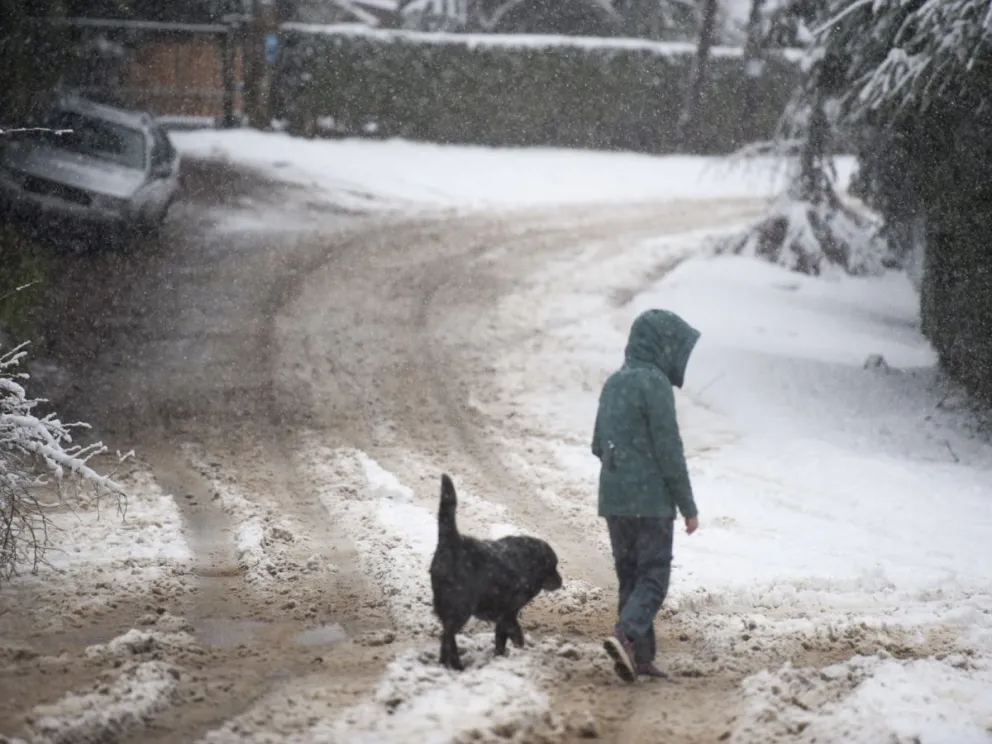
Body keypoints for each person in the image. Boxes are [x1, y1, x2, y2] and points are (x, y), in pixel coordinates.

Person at [591, 308, 700, 683]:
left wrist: (622, 463)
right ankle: (625, 635)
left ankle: (639, 657)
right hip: (650, 501)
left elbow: (596, 444)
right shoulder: (655, 384)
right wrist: (688, 506)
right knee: (653, 578)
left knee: (631, 577)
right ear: (663, 345)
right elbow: (669, 449)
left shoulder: (614, 382)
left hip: (615, 500)